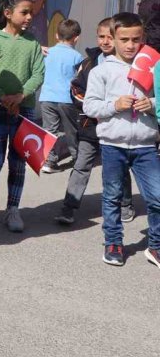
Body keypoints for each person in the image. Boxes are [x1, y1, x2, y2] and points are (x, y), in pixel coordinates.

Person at [82, 12, 160, 269]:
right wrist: (114, 105)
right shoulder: (101, 71)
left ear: (143, 38)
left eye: (136, 39)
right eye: (124, 39)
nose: (130, 45)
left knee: (157, 196)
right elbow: (90, 106)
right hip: (112, 144)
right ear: (113, 38)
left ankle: (156, 246)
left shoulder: (153, 68)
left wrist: (152, 104)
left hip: (145, 145)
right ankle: (113, 242)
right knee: (113, 196)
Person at [0, 0, 45, 233]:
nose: (29, 17)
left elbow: (38, 74)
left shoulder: (33, 43)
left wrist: (21, 96)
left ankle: (13, 209)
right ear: (7, 13)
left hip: (23, 112)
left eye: (31, 12)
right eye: (24, 12)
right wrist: (2, 97)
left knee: (18, 162)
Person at [56, 18, 134, 226]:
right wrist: (93, 107)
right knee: (81, 165)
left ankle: (125, 204)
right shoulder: (89, 63)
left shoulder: (129, 64)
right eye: (101, 36)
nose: (105, 41)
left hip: (118, 126)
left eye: (110, 37)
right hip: (90, 126)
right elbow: (76, 89)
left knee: (120, 168)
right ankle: (68, 207)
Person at [39, 19, 84, 173]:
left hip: (47, 97)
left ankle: (49, 162)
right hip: (67, 99)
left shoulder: (47, 52)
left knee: (49, 131)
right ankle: (77, 159)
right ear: (76, 38)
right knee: (71, 130)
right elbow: (79, 78)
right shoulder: (77, 57)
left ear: (57, 35)